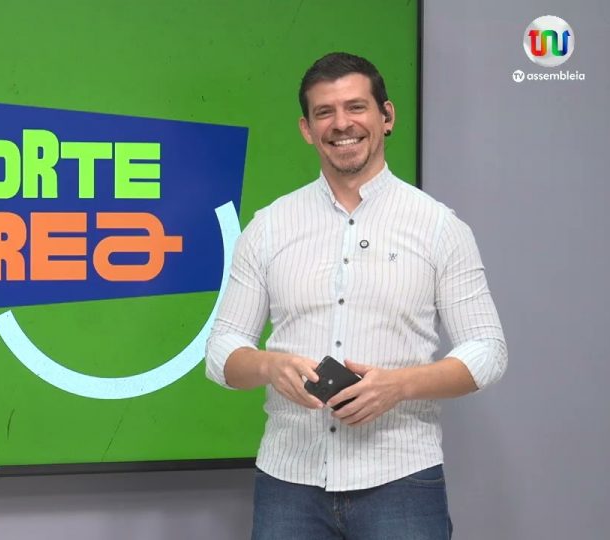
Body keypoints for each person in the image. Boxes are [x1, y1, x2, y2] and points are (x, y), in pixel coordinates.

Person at [205, 52, 507, 539]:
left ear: (386, 116)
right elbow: (221, 350)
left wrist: (399, 385)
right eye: (324, 112)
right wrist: (268, 366)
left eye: (356, 107)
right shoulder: (268, 227)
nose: (341, 124)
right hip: (288, 483)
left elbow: (489, 350)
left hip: (402, 479)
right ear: (307, 129)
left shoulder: (439, 227)